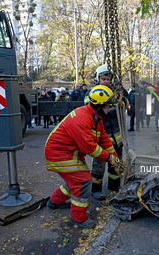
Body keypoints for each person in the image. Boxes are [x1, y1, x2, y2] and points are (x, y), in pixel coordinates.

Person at [45, 85, 126, 229]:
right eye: (107, 107)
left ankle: (54, 202)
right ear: (99, 106)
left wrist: (116, 160)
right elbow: (89, 148)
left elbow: (105, 141)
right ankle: (78, 219)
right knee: (83, 181)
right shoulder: (82, 118)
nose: (109, 110)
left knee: (75, 181)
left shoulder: (95, 117)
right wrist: (111, 159)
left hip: (68, 153)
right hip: (60, 154)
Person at [90, 64, 127, 200]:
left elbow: (124, 106)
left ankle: (114, 186)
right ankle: (96, 189)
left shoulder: (115, 93)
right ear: (97, 79)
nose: (106, 81)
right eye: (103, 79)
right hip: (101, 138)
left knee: (116, 164)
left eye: (108, 79)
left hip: (117, 137)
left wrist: (122, 95)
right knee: (98, 166)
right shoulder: (92, 94)